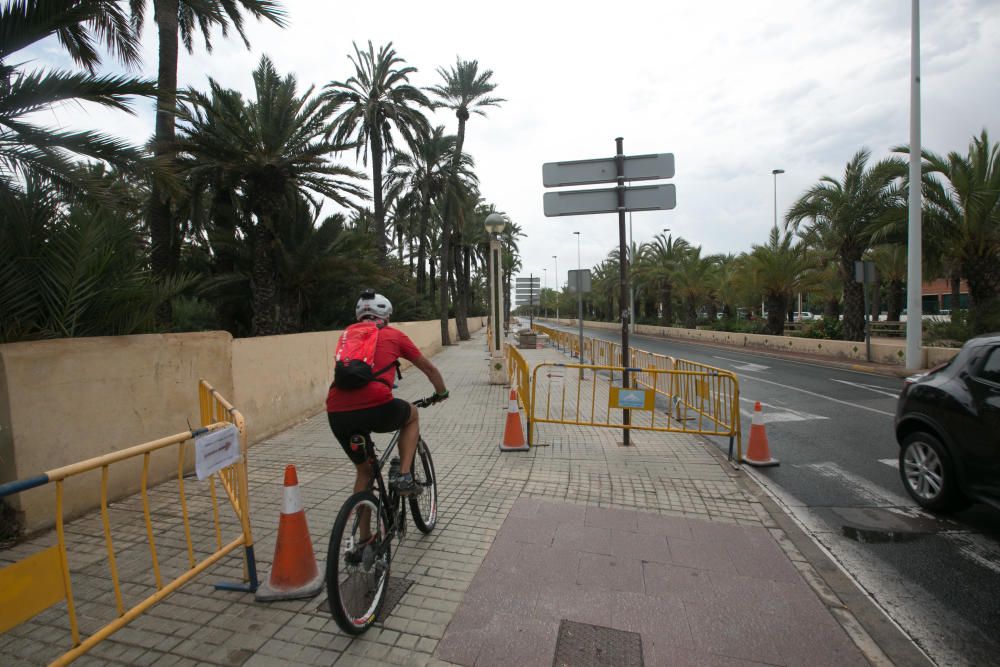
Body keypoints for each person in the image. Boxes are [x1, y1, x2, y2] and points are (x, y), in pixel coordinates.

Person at [327, 291, 448, 501]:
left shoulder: (348, 335)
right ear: (385, 316)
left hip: (337, 410)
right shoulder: (394, 335)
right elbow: (429, 369)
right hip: (376, 404)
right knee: (411, 414)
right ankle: (404, 476)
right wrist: (441, 392)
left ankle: (364, 534)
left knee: (364, 472)